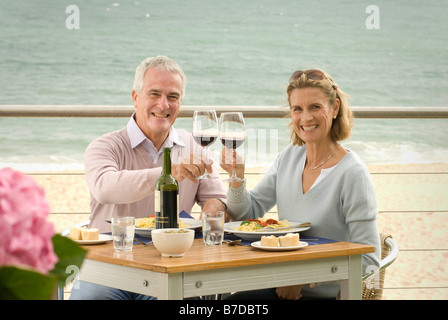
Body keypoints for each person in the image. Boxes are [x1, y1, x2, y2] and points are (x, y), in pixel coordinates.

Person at [70, 56, 227, 300]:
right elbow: (104, 187)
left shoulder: (194, 146)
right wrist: (170, 172)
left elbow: (217, 200)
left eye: (172, 97)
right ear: (135, 97)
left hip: (170, 267)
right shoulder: (104, 146)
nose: (163, 105)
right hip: (109, 266)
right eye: (154, 94)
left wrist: (209, 216)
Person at [220, 69, 381, 300]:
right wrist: (236, 178)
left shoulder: (353, 174)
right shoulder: (290, 156)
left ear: (334, 108)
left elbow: (370, 261)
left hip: (323, 295)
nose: (305, 118)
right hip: (279, 284)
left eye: (315, 107)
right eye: (298, 109)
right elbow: (248, 212)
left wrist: (306, 278)